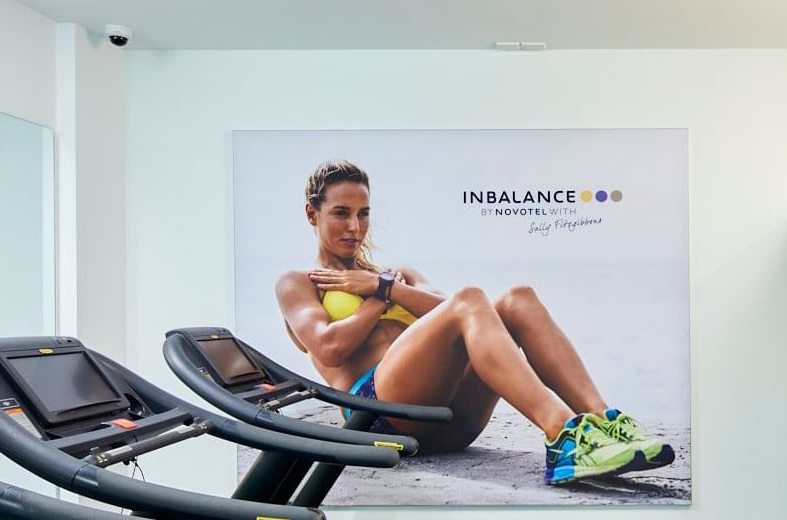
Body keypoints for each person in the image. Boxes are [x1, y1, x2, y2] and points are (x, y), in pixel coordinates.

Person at [275, 159, 674, 485]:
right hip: (380, 420)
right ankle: (562, 434)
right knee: (469, 298)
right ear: (312, 213)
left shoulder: (394, 275)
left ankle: (606, 423)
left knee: (518, 298)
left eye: (363, 214)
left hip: (451, 421)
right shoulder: (298, 283)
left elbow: (469, 317)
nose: (355, 227)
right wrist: (377, 297)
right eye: (341, 214)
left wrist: (386, 286)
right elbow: (329, 346)